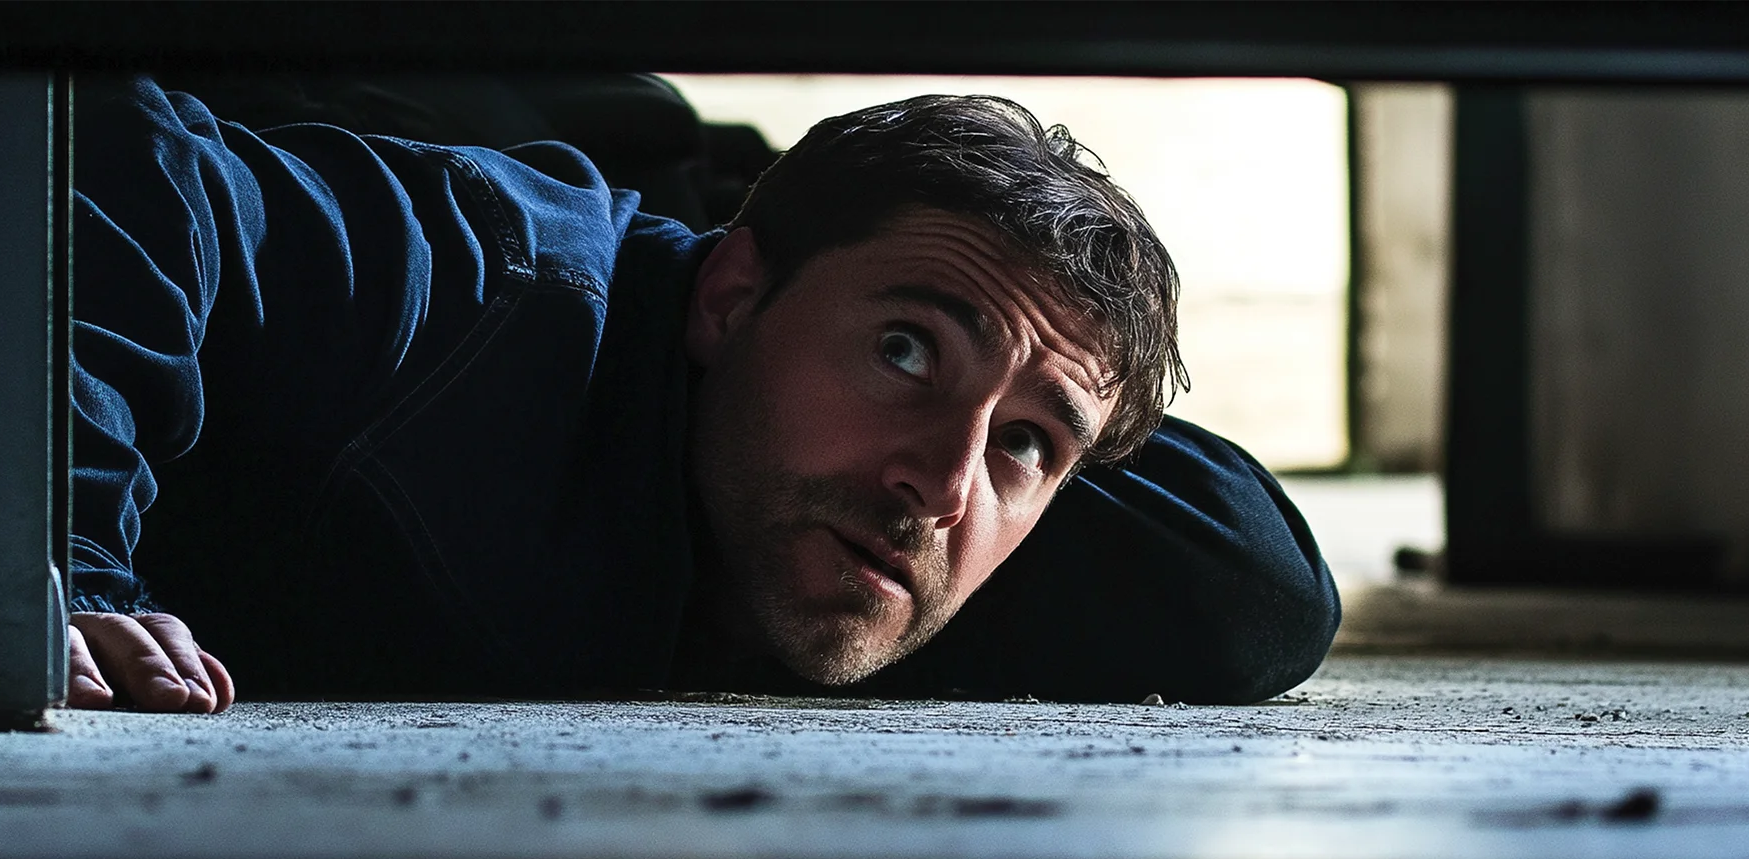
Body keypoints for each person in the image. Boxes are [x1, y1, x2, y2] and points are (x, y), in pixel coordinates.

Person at [64, 77, 1338, 714]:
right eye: (905, 351)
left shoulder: (918, 509)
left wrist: (1034, 401)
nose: (939, 487)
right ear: (732, 298)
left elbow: (1259, 584)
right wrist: (60, 552)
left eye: (1022, 444)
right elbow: (133, 163)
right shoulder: (483, 291)